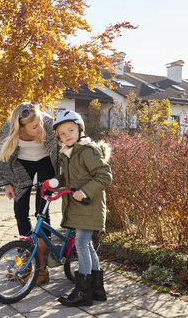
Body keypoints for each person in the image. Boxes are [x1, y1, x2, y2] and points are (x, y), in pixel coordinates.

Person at [0, 102, 59, 285]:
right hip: (21, 165)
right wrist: (8, 183)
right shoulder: (8, 130)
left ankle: (41, 268)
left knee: (42, 210)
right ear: (21, 127)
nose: (40, 128)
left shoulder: (49, 124)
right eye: (34, 127)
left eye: (40, 123)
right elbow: (2, 157)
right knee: (20, 210)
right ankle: (27, 259)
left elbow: (66, 143)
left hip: (45, 162)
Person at [44, 109, 112, 307]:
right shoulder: (68, 153)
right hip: (80, 206)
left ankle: (83, 291)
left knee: (82, 244)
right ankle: (98, 290)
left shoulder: (87, 150)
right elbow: (69, 177)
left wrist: (84, 191)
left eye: (70, 130)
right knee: (87, 245)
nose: (67, 136)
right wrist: (55, 182)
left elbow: (104, 175)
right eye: (62, 134)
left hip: (90, 205)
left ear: (80, 129)